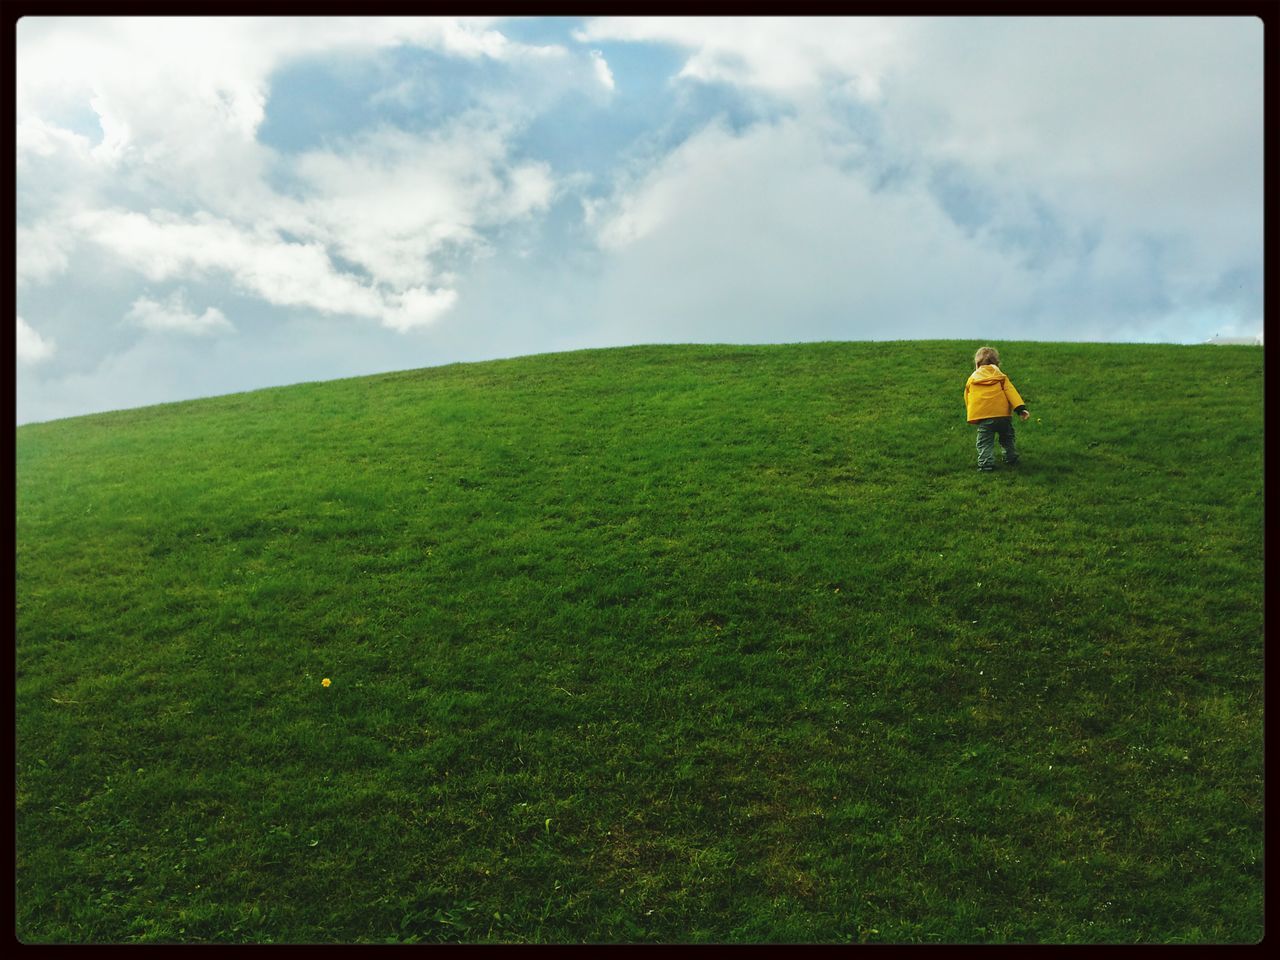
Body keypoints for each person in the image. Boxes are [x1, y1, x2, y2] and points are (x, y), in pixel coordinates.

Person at [964, 346, 1029, 472]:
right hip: (1003, 416)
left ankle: (986, 464)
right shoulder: (1001, 377)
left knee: (985, 442)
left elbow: (968, 397)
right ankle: (1011, 458)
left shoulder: (972, 379)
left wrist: (972, 414)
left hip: (984, 417)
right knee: (1007, 438)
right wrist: (1020, 409)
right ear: (997, 363)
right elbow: (1011, 392)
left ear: (977, 364)